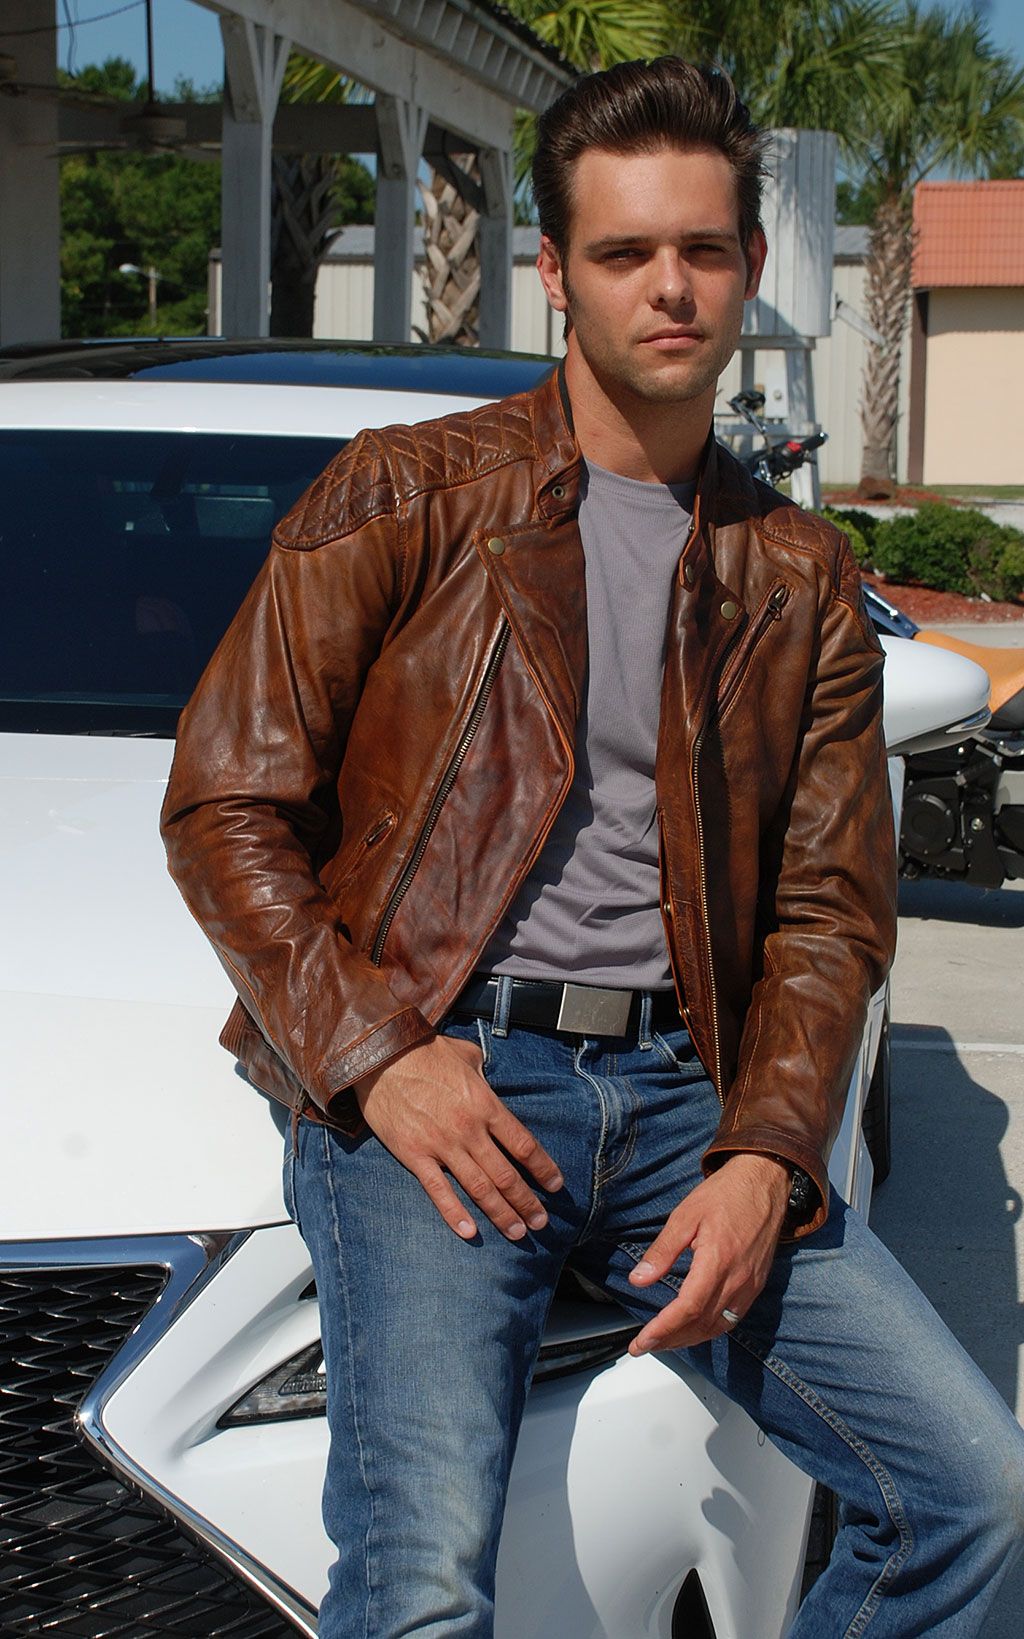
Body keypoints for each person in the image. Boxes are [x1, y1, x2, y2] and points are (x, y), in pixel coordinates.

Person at [161, 57, 1024, 1639]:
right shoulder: (408, 497)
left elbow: (833, 910)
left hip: (692, 1107)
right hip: (451, 1084)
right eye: (625, 253)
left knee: (974, 1492)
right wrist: (377, 1055)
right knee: (417, 1586)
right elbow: (226, 802)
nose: (670, 287)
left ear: (754, 267)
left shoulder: (800, 574)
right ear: (559, 272)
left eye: (702, 249)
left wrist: (770, 1151)